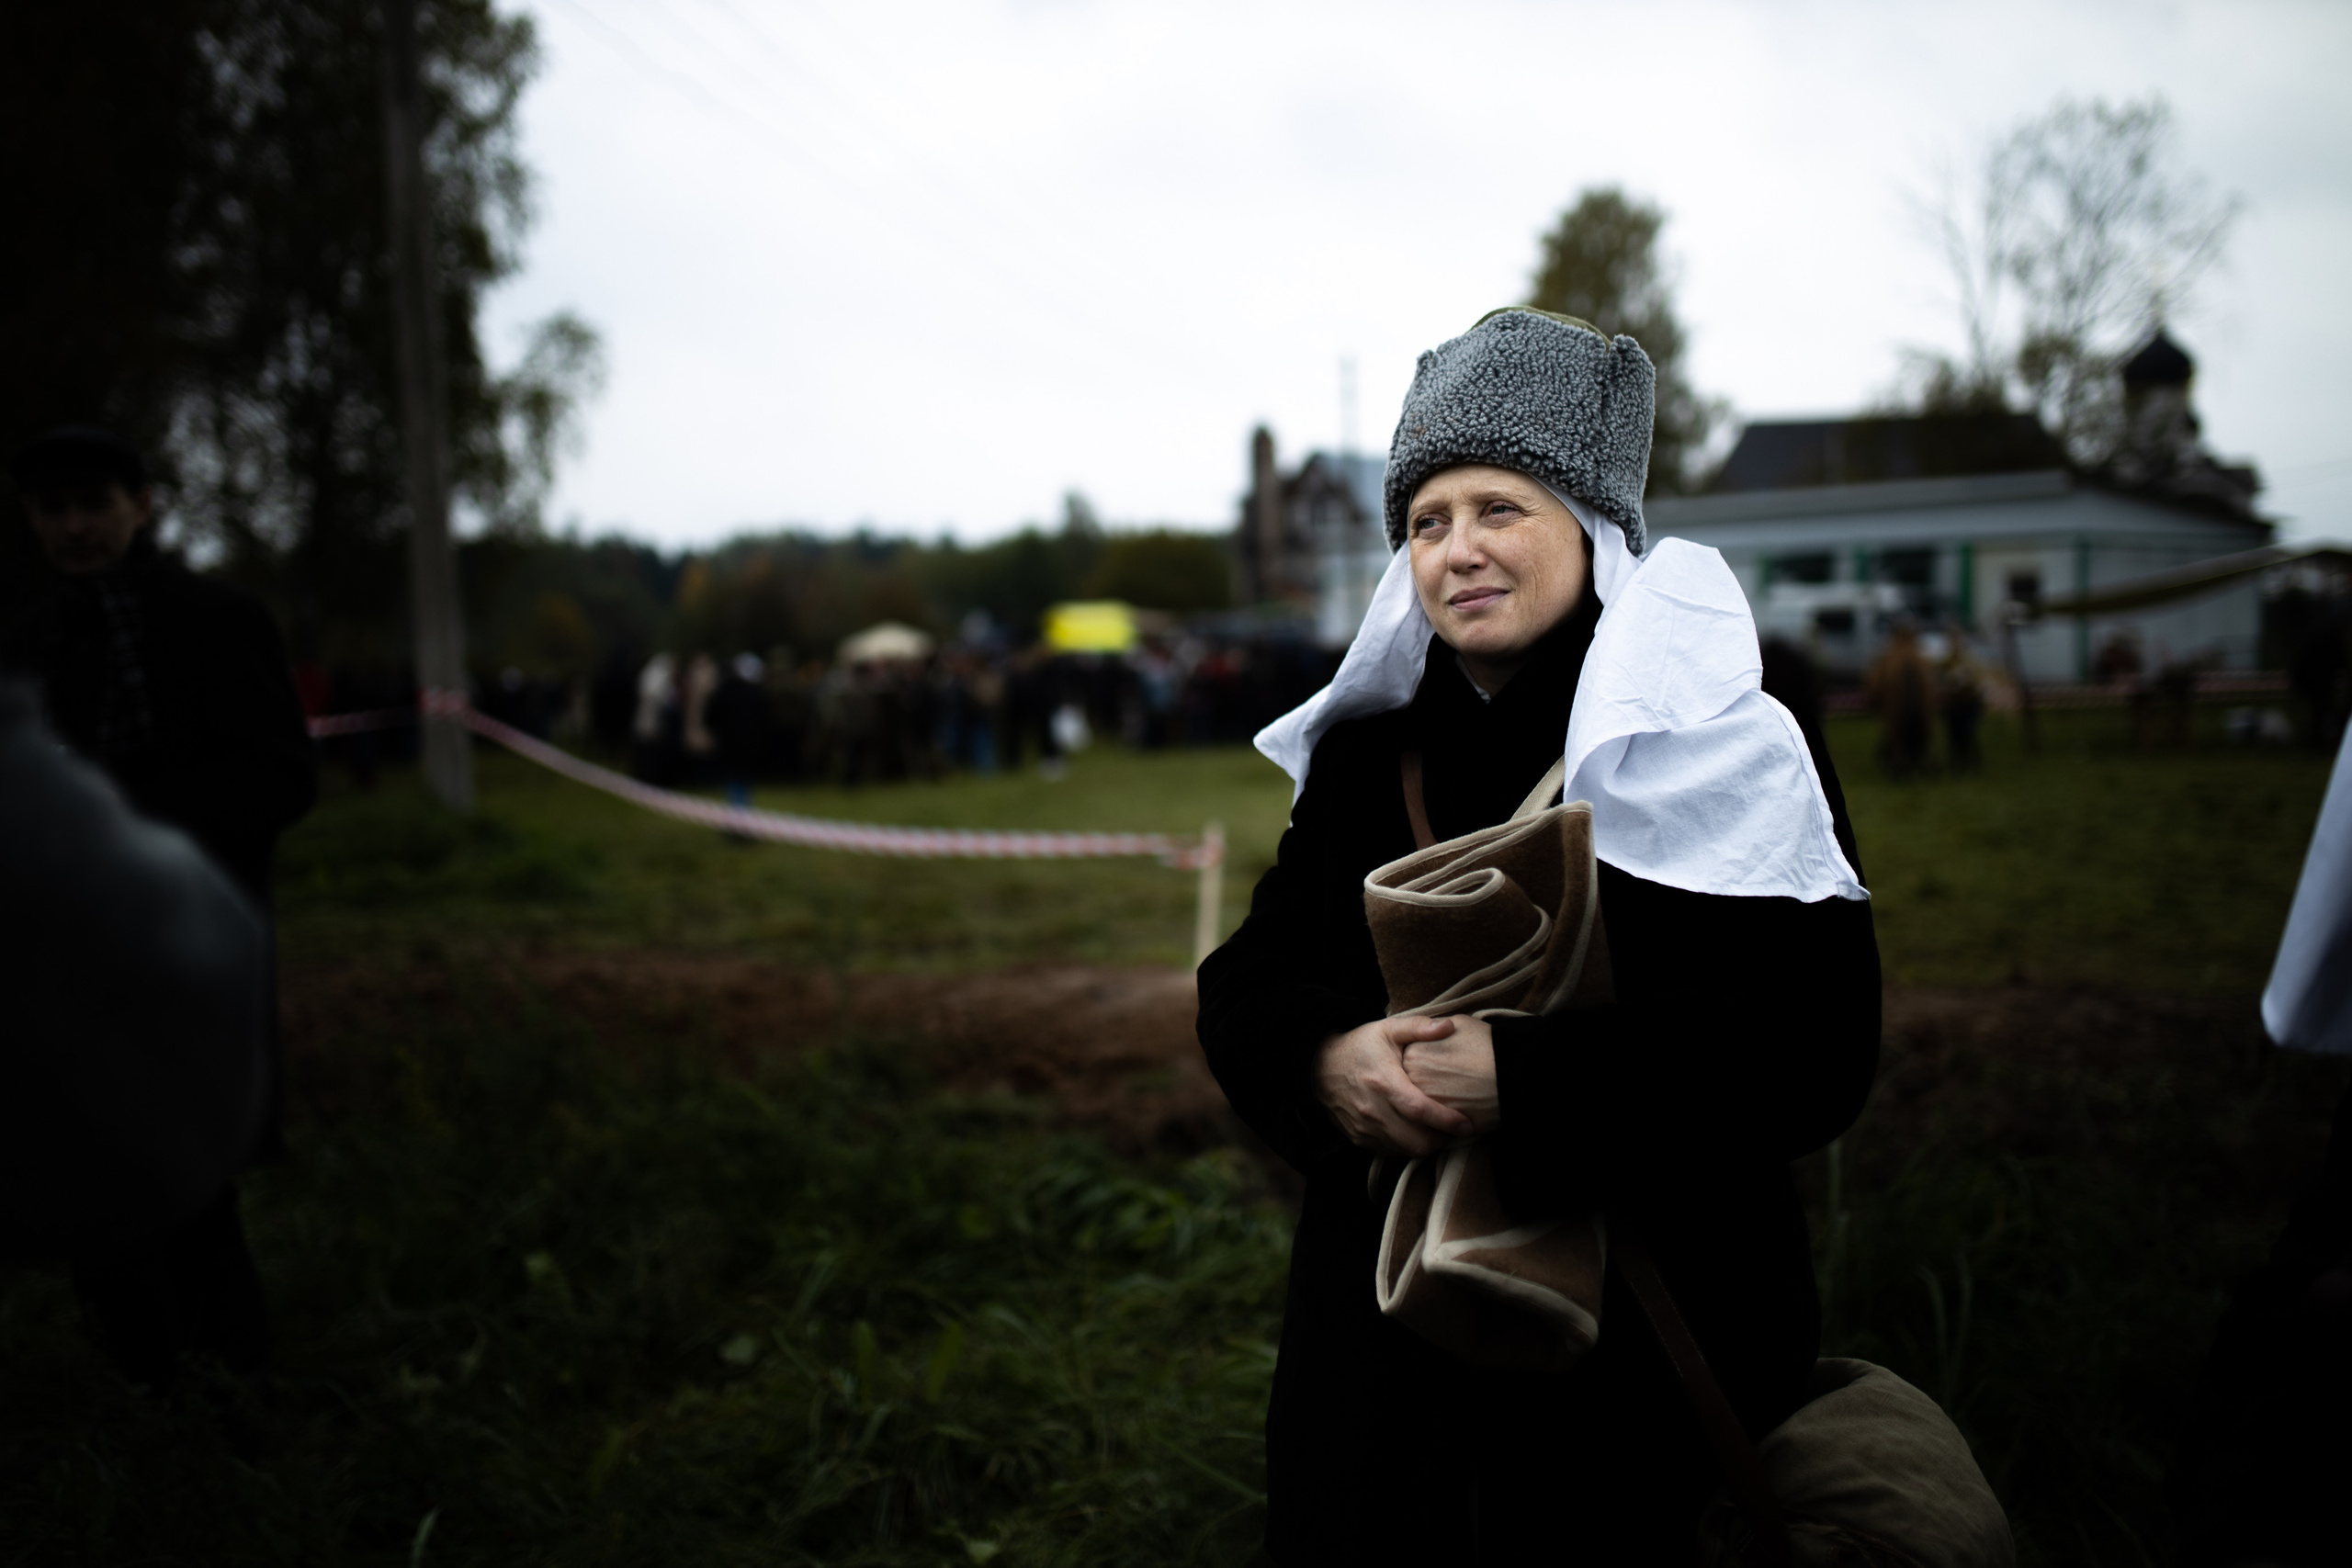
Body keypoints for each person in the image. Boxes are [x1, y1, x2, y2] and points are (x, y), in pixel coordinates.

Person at [1196, 309, 1880, 1563]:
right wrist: (1326, 1060)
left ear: (1592, 523)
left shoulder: (1727, 732)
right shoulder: (1371, 748)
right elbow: (1251, 978)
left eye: (1499, 507)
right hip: (1391, 1338)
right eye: (1426, 519)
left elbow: (1815, 1039)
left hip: (1652, 1333)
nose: (1458, 550)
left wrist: (1526, 1081)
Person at [4, 424, 316, 1392]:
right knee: (80, 1159)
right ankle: (137, 1388)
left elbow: (278, 778)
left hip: (185, 933)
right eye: (53, 510)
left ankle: (236, 1387)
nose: (75, 528)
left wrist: (125, 824)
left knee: (191, 1172)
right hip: (59, 954)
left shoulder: (219, 624)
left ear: (142, 504)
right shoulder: (23, 641)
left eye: (93, 505)